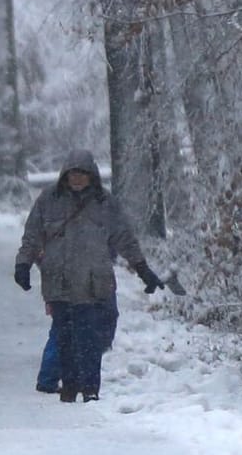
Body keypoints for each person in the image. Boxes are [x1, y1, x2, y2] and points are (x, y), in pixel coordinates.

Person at [14, 149, 161, 403]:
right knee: (65, 338)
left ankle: (91, 388)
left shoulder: (106, 204)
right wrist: (23, 265)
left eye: (82, 174)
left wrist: (143, 269)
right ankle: (70, 387)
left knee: (91, 339)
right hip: (59, 282)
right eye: (73, 174)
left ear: (91, 175)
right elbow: (32, 235)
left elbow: (125, 239)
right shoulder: (48, 200)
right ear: (65, 175)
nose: (78, 179)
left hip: (95, 284)